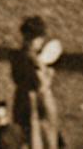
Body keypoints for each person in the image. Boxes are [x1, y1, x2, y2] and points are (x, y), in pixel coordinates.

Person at [10, 20, 60, 149]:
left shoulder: (16, 56)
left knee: (23, 135)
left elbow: (16, 78)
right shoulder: (35, 61)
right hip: (38, 100)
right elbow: (40, 84)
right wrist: (48, 74)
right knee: (43, 134)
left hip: (20, 99)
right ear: (35, 39)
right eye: (40, 40)